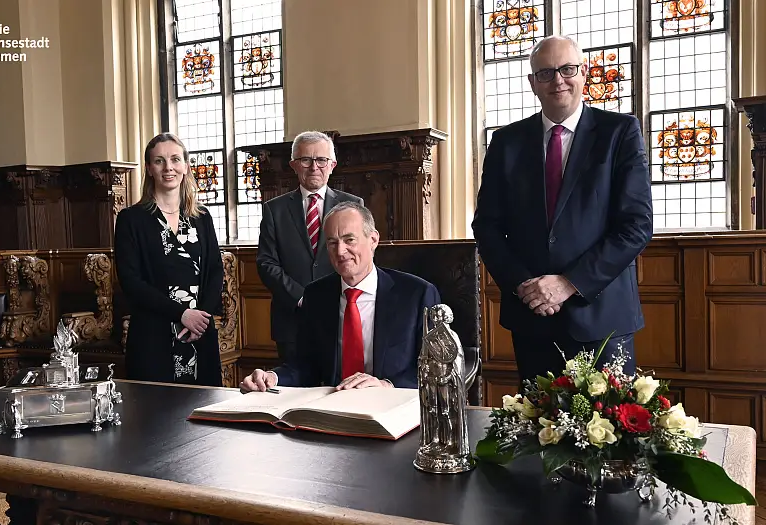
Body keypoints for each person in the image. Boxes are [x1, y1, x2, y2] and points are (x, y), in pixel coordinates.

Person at [471, 35, 653, 385]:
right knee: (534, 420)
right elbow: (487, 226)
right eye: (546, 73)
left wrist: (570, 283)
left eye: (567, 69)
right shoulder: (506, 142)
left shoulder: (619, 133)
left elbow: (636, 225)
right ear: (532, 83)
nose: (558, 80)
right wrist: (524, 286)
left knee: (609, 420)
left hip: (601, 318)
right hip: (532, 318)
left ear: (584, 73)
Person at [241, 202, 441, 391]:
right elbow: (305, 366)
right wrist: (272, 377)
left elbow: (436, 366)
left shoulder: (417, 294)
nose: (340, 251)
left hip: (393, 404)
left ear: (373, 240)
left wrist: (386, 385)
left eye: (349, 240)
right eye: (332, 242)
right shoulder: (316, 295)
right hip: (333, 404)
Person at [114, 132, 224, 386]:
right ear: (149, 168)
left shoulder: (201, 217)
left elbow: (215, 271)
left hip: (199, 332)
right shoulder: (131, 219)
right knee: (155, 407)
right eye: (159, 161)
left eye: (175, 159)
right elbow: (131, 281)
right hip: (153, 335)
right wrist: (181, 314)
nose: (168, 168)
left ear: (185, 166)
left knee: (205, 406)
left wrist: (200, 318)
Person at [256, 131, 362, 362]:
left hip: (340, 312)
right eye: (306, 160)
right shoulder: (274, 209)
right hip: (292, 320)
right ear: (294, 165)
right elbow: (266, 263)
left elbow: (360, 258)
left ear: (332, 165)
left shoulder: (353, 206)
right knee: (293, 381)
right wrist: (302, 297)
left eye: (321, 160)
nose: (314, 167)